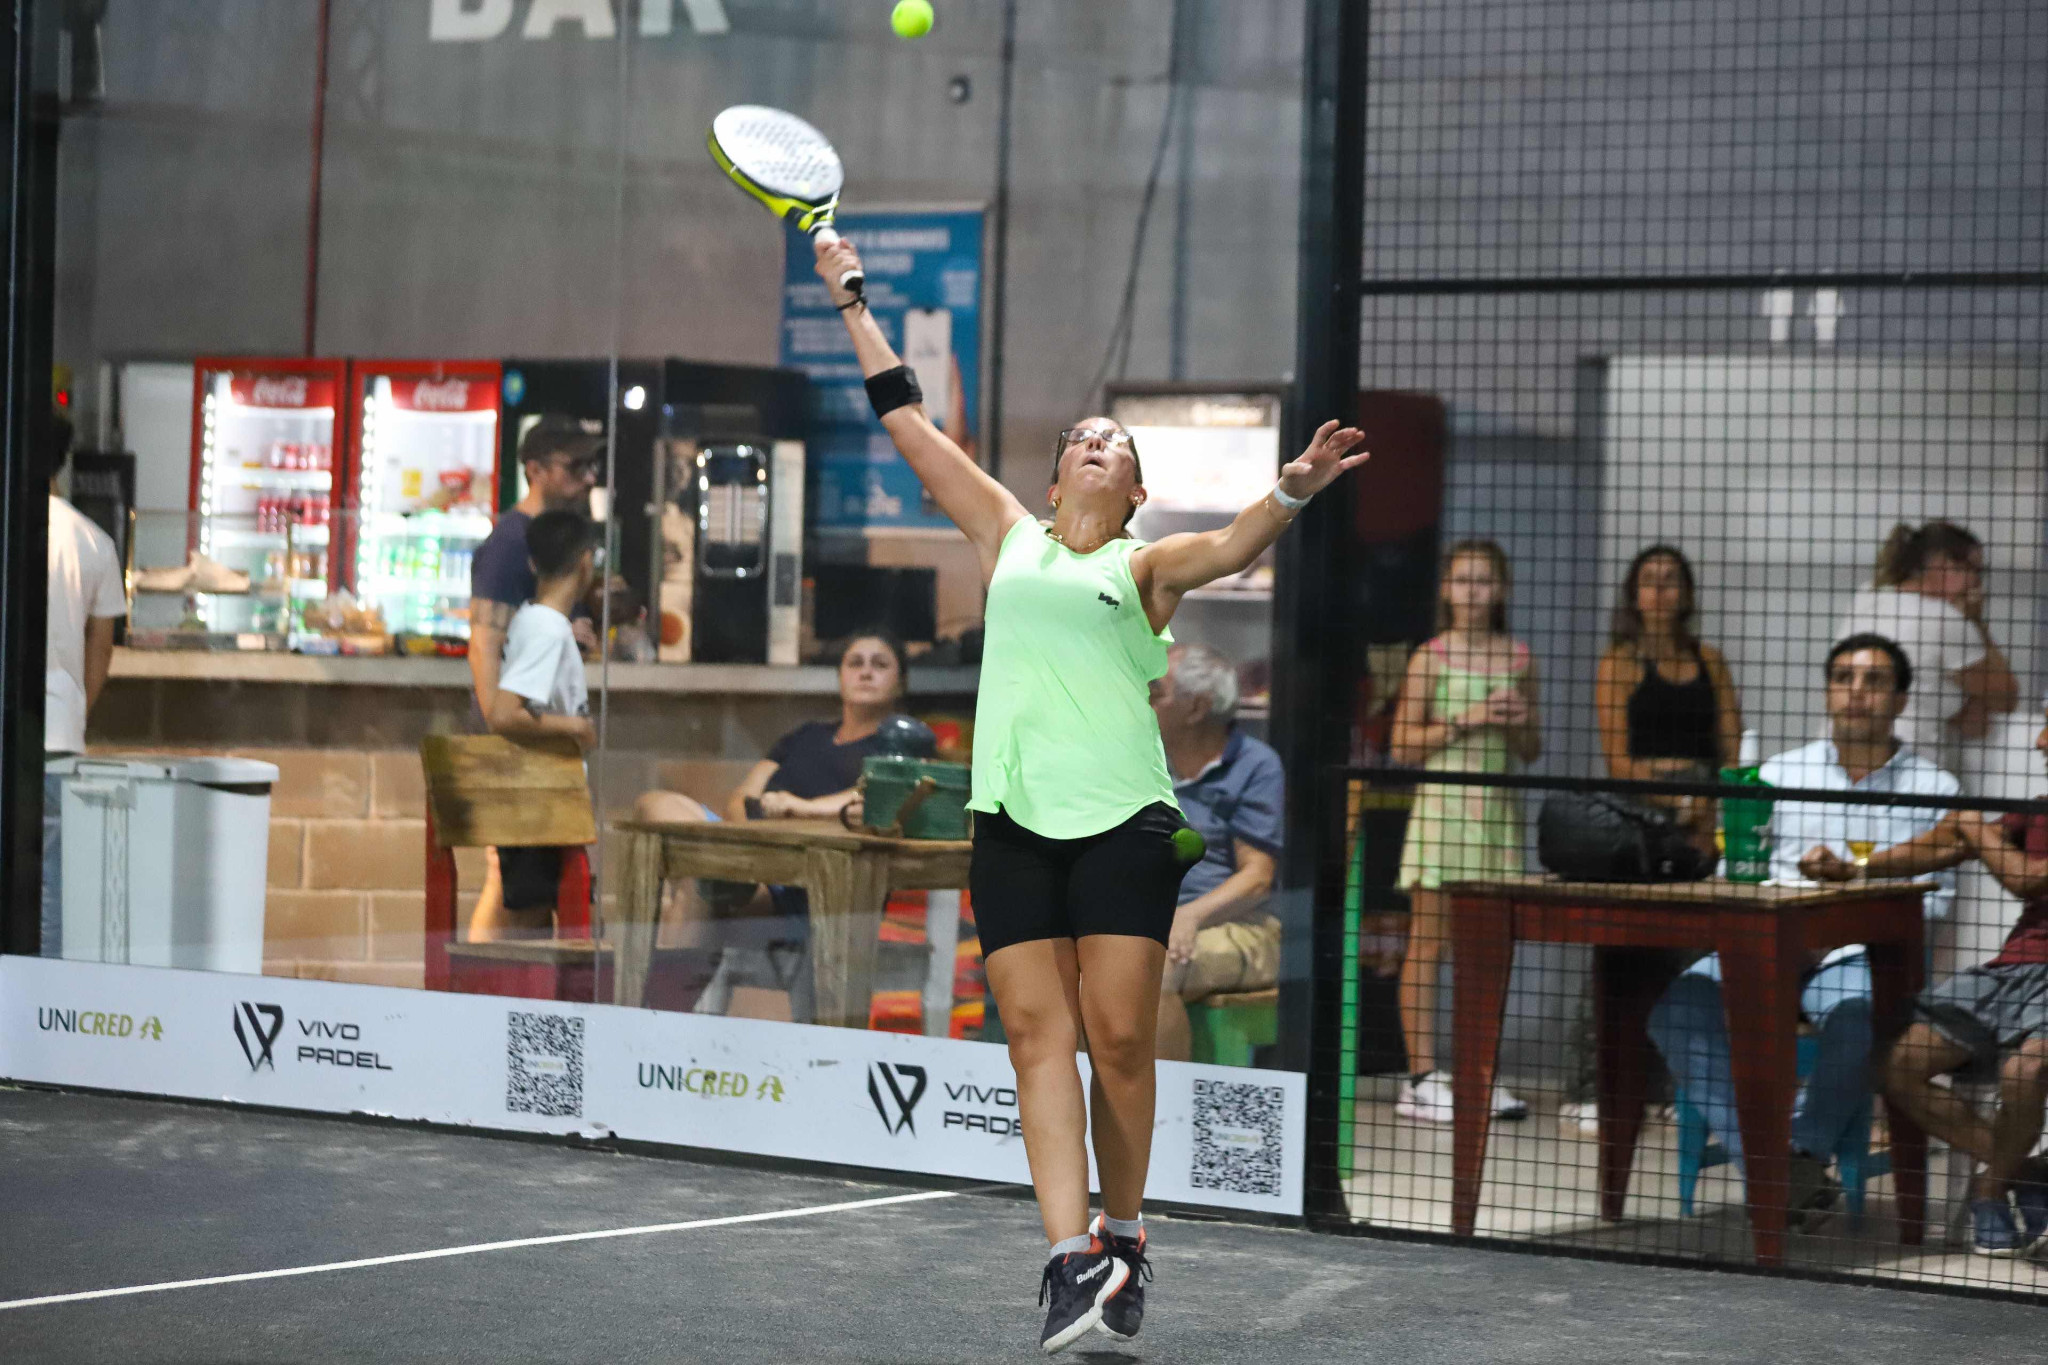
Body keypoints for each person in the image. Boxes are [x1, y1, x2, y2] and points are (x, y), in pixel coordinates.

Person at [815, 232, 1367, 1353]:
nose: (1095, 443)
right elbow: (907, 423)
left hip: (1124, 825)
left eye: (1114, 442)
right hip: (1010, 823)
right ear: (1056, 477)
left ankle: (1125, 1232)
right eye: (1081, 439)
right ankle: (1069, 1257)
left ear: (1134, 490)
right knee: (1033, 1035)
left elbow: (1232, 546)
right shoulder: (1004, 534)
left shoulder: (1141, 567)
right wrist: (851, 301)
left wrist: (1291, 489)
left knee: (1117, 1039)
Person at [1645, 634, 1959, 1230]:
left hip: (1860, 955)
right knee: (1677, 1008)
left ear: (1901, 700)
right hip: (1764, 945)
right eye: (1842, 678)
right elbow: (1738, 870)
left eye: (1873, 681)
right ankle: (1776, 1168)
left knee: (1862, 1014)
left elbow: (1933, 903)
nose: (1855, 692)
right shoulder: (1776, 774)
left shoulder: (1936, 788)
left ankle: (1802, 1153)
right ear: (1826, 692)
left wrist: (1841, 918)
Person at [633, 632, 913, 1021]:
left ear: (900, 683)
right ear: (839, 676)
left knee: (698, 886)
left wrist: (801, 809)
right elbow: (741, 798)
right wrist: (749, 843)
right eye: (855, 663)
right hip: (749, 853)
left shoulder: (898, 751)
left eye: (879, 664)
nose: (865, 672)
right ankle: (724, 870)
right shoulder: (805, 736)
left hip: (804, 885)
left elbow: (870, 801)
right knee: (655, 804)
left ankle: (663, 1017)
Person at [1564, 545, 1744, 1132]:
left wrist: (1711, 809)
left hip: (1703, 819)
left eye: (1671, 580)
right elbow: (1619, 760)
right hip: (1639, 819)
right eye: (1649, 580)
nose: (1661, 591)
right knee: (1620, 947)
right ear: (1633, 594)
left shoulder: (1709, 661)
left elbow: (1733, 748)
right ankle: (1592, 1085)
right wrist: (1678, 796)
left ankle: (1679, 1087)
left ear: (1686, 593)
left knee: (1692, 951)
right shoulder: (1619, 662)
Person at [1865, 705, 2048, 1257]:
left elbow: (2026, 879)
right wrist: (1859, 866)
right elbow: (1946, 843)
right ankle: (2030, 1175)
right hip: (2014, 970)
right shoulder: (2038, 809)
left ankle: (1989, 1190)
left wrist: (1971, 824)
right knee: (1901, 1067)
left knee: (2025, 1071)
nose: (2041, 741)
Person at [1390, 540, 1540, 1124]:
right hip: (1442, 813)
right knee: (1428, 943)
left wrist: (1520, 722)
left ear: (1501, 590)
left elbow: (1531, 749)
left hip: (1497, 819)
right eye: (1462, 580)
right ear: (1446, 590)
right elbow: (1403, 745)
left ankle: (1480, 1072)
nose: (1473, 591)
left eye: (1483, 581)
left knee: (1489, 952)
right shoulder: (1429, 658)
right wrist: (1465, 719)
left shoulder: (1520, 659)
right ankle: (1422, 1077)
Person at [466, 416, 600, 940]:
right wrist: (499, 729)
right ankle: (480, 983)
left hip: (531, 738)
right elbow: (484, 641)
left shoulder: (548, 543)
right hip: (518, 744)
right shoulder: (510, 542)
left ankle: (499, 983)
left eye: (592, 465)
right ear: (536, 470)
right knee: (510, 890)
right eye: (575, 466)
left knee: (525, 894)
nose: (588, 478)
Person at [1147, 644, 1286, 1063]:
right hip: (1150, 921)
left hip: (1237, 926)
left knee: (1149, 970)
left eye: (1156, 692)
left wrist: (1188, 916)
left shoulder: (1255, 766)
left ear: (1196, 707)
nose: (1142, 701)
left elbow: (1257, 877)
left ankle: (1164, 1100)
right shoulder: (1144, 761)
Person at [43, 414, 127, 956]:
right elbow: (102, 645)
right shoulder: (92, 541)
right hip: (58, 733)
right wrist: (78, 708)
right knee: (50, 885)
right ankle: (41, 994)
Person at [1840, 521, 2016, 772]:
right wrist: (1977, 622)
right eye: (1972, 570)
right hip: (1908, 770)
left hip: (1841, 760)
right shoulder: (1945, 619)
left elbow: (1973, 722)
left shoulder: (1867, 597)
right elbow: (2006, 698)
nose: (1976, 583)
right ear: (1941, 563)